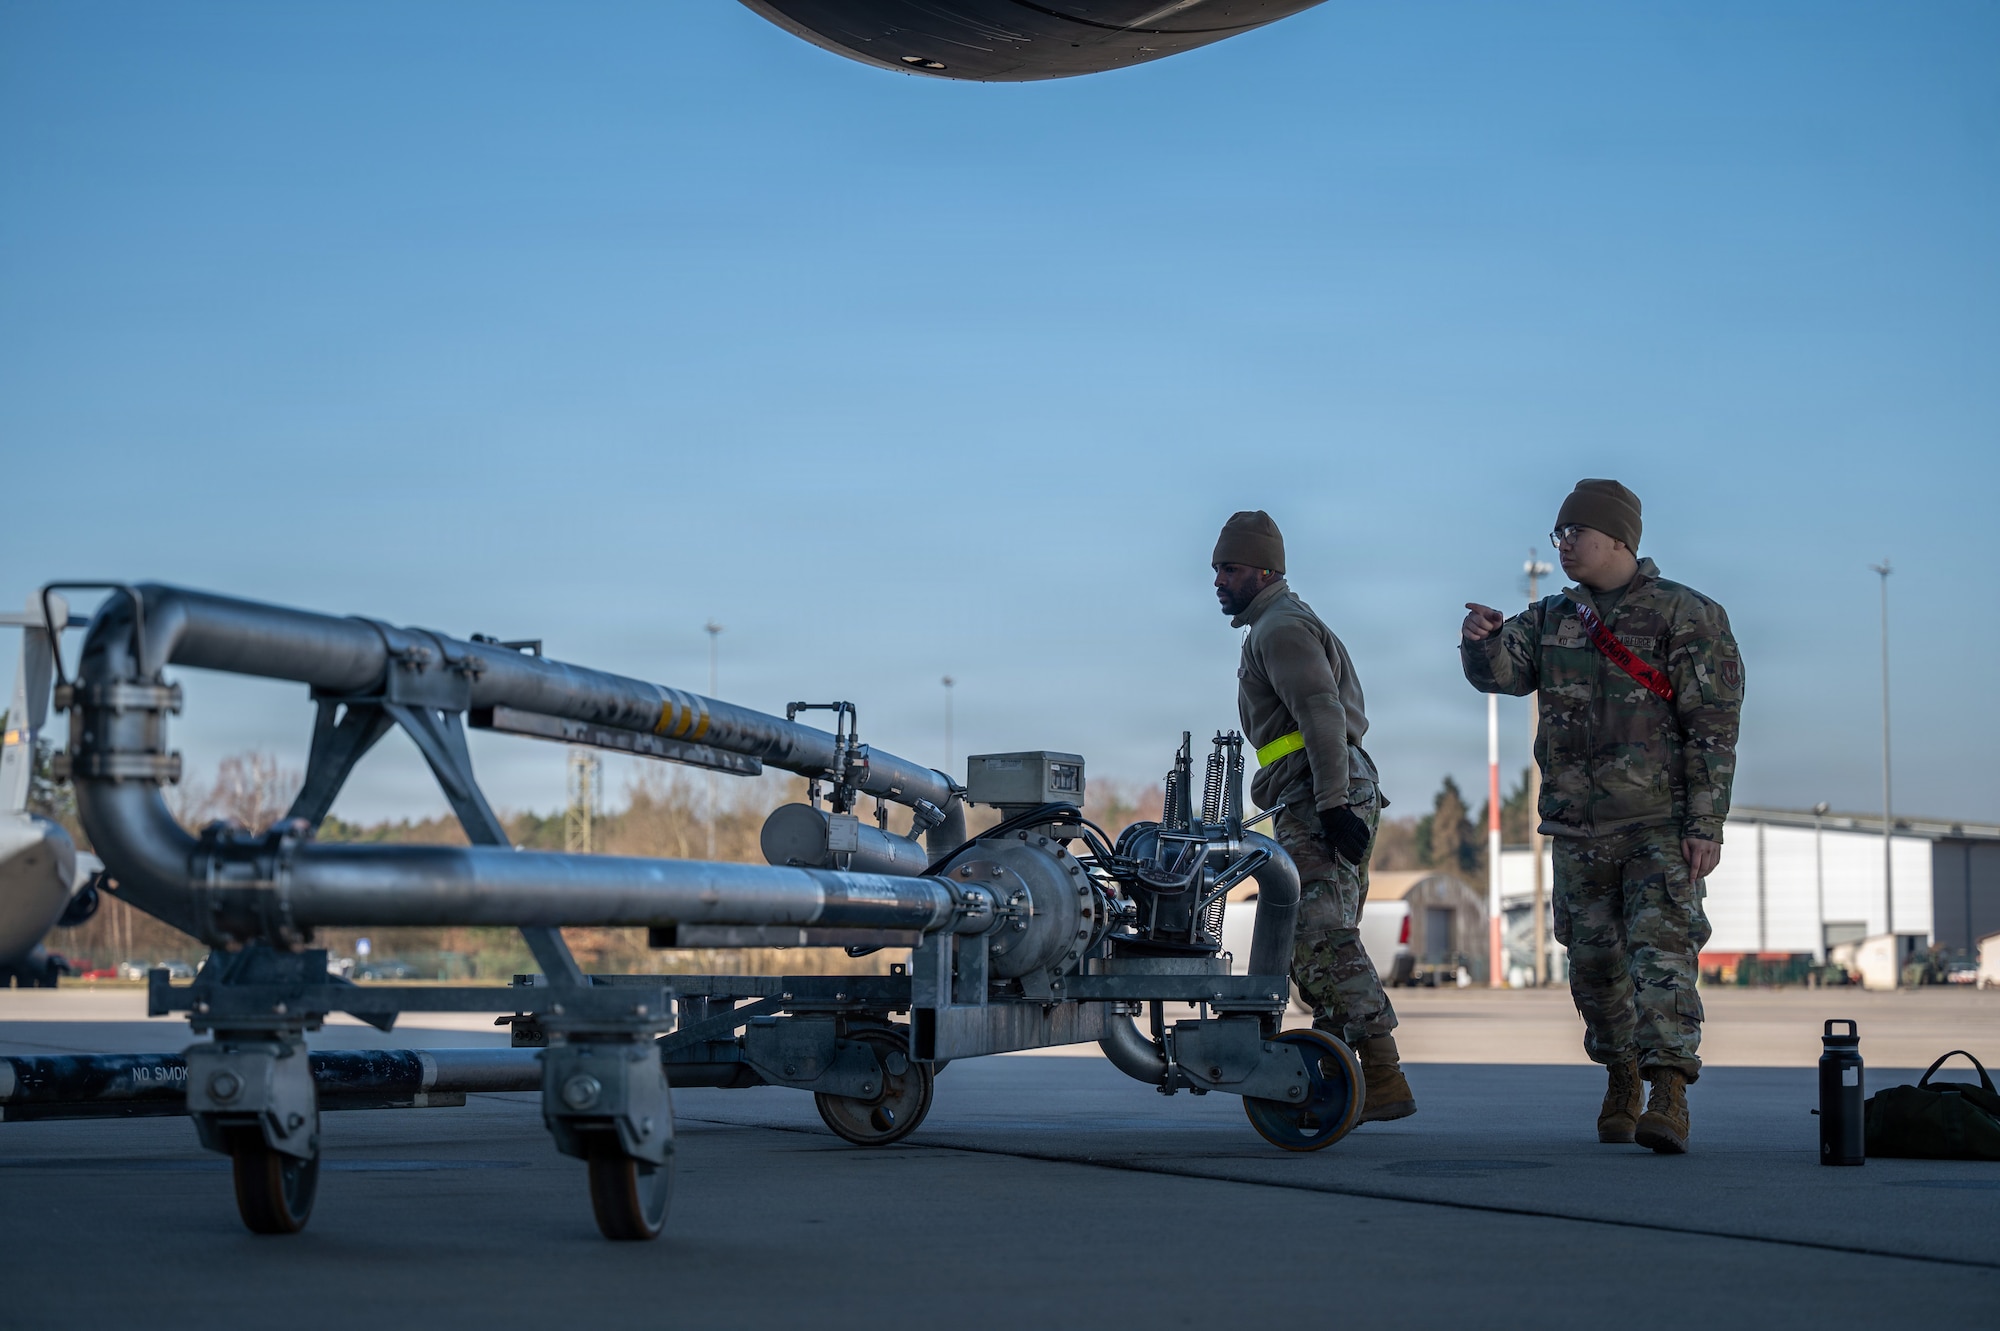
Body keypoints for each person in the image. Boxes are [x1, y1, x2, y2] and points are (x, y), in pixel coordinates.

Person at [1460, 479, 1743, 1154]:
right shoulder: (1553, 617)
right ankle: (1621, 1078)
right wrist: (1481, 641)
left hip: (1657, 825)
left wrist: (1706, 821)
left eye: (1573, 533)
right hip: (1577, 829)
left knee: (1661, 959)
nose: (1563, 546)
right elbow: (1501, 673)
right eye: (1557, 535)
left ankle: (1668, 1091)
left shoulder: (1687, 614)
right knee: (1592, 966)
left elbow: (1713, 726)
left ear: (1617, 537)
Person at [1213, 510, 1414, 1123]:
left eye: (1232, 568)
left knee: (1319, 935)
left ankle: (1382, 1074)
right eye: (1217, 568)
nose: (1219, 580)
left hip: (1318, 790)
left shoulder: (1280, 629)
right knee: (1320, 936)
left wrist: (1329, 803)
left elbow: (1322, 714)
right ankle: (1334, 1079)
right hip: (1315, 787)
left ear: (1266, 570)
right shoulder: (1277, 624)